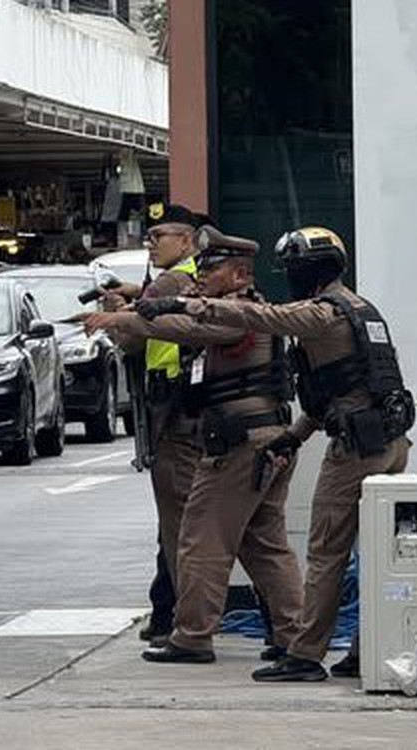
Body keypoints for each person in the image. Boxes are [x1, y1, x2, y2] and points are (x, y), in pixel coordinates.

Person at [141, 227, 415, 681]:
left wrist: (180, 303)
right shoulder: (362, 309)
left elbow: (263, 319)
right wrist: (296, 436)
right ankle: (364, 651)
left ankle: (305, 656)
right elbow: (339, 389)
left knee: (328, 553)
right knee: (376, 556)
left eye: (292, 270)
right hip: (391, 443)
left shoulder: (322, 313)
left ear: (307, 272)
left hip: (356, 449)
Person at [86, 226, 305, 663]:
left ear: (240, 275)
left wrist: (121, 318)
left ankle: (192, 636)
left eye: (212, 268)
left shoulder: (237, 313)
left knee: (200, 539)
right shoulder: (243, 309)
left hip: (239, 445)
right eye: (201, 266)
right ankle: (291, 634)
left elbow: (181, 328)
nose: (201, 276)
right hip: (263, 440)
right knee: (264, 544)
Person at [102, 202, 204, 643]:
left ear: (184, 240)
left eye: (159, 234)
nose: (151, 242)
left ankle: (184, 622)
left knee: (177, 523)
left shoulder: (171, 279)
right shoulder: (192, 274)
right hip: (184, 408)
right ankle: (167, 610)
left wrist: (113, 316)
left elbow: (129, 341)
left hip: (175, 411)